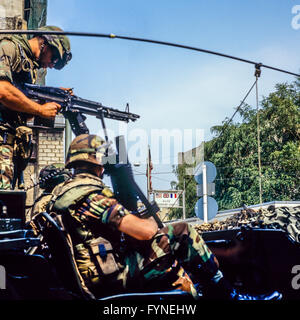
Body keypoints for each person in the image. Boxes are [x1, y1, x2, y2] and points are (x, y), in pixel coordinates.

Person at [48, 134, 282, 300]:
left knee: (165, 249)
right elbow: (145, 231)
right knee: (181, 233)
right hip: (111, 279)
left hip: (92, 276)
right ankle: (229, 296)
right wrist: (148, 219)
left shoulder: (61, 194)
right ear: (98, 163)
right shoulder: (90, 195)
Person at [0, 26, 72, 189]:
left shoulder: (29, 69)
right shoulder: (8, 47)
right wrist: (40, 109)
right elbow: (3, 91)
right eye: (54, 58)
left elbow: (19, 111)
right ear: (45, 43)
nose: (51, 65)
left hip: (10, 148)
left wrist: (50, 101)